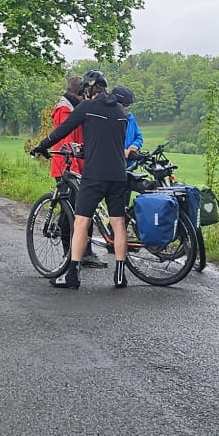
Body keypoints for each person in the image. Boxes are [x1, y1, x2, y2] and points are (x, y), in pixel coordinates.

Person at [31, 70, 133, 289]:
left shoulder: (87, 107)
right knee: (118, 223)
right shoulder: (120, 111)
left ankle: (72, 276)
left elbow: (62, 131)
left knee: (81, 222)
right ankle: (120, 276)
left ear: (89, 89)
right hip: (118, 174)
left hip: (94, 175)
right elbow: (110, 140)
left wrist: (41, 146)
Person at [47, 72, 103, 267]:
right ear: (79, 93)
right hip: (66, 166)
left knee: (85, 209)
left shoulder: (78, 108)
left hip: (80, 165)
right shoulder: (65, 110)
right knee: (69, 212)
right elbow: (68, 143)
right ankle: (68, 254)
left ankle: (85, 252)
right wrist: (79, 168)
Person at [114, 86, 144, 159]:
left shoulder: (131, 118)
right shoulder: (108, 121)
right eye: (124, 105)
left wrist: (135, 145)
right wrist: (121, 152)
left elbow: (139, 137)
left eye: (128, 105)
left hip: (130, 163)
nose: (126, 108)